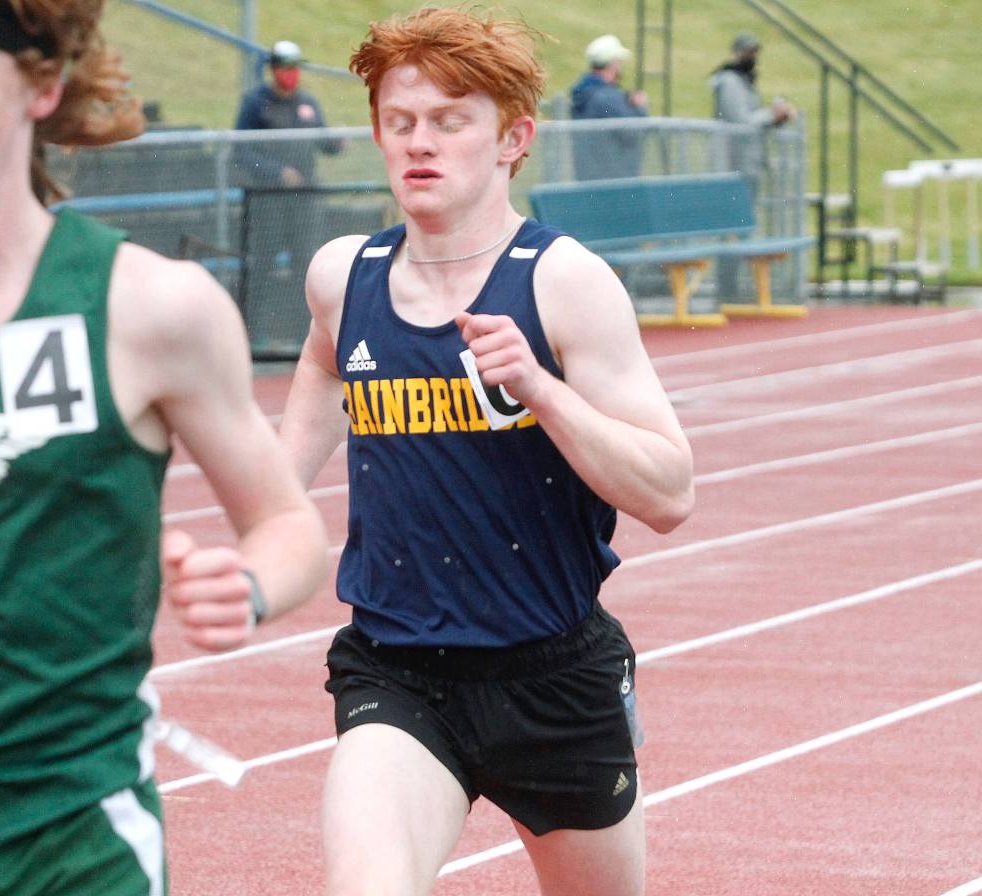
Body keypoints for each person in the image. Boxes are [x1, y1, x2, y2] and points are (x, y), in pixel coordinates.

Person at [278, 8, 694, 895]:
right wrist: (272, 502)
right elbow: (323, 369)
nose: (419, 143)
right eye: (400, 122)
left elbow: (669, 491)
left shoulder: (563, 281)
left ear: (513, 138)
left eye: (450, 121)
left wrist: (542, 390)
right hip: (396, 669)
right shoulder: (341, 276)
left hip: (551, 674)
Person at [0, 3, 329, 894]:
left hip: (61, 839)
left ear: (41, 86)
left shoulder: (147, 307)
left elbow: (288, 525)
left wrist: (241, 586)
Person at [710, 32, 796, 297]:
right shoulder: (730, 81)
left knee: (743, 228)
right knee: (733, 229)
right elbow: (741, 121)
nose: (752, 58)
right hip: (734, 168)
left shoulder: (744, 81)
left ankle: (735, 288)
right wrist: (771, 115)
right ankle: (728, 289)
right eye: (748, 52)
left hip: (748, 167)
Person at [233, 39, 344, 187]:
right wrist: (277, 172)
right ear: (273, 69)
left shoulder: (307, 102)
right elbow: (241, 151)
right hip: (267, 193)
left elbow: (323, 142)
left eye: (294, 66)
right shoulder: (255, 102)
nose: (291, 72)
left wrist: (339, 142)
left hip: (306, 189)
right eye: (285, 66)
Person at [569, 34, 649, 181]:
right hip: (613, 181)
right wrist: (639, 108)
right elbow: (632, 134)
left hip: (587, 177)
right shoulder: (607, 97)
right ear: (612, 63)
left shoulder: (583, 92)